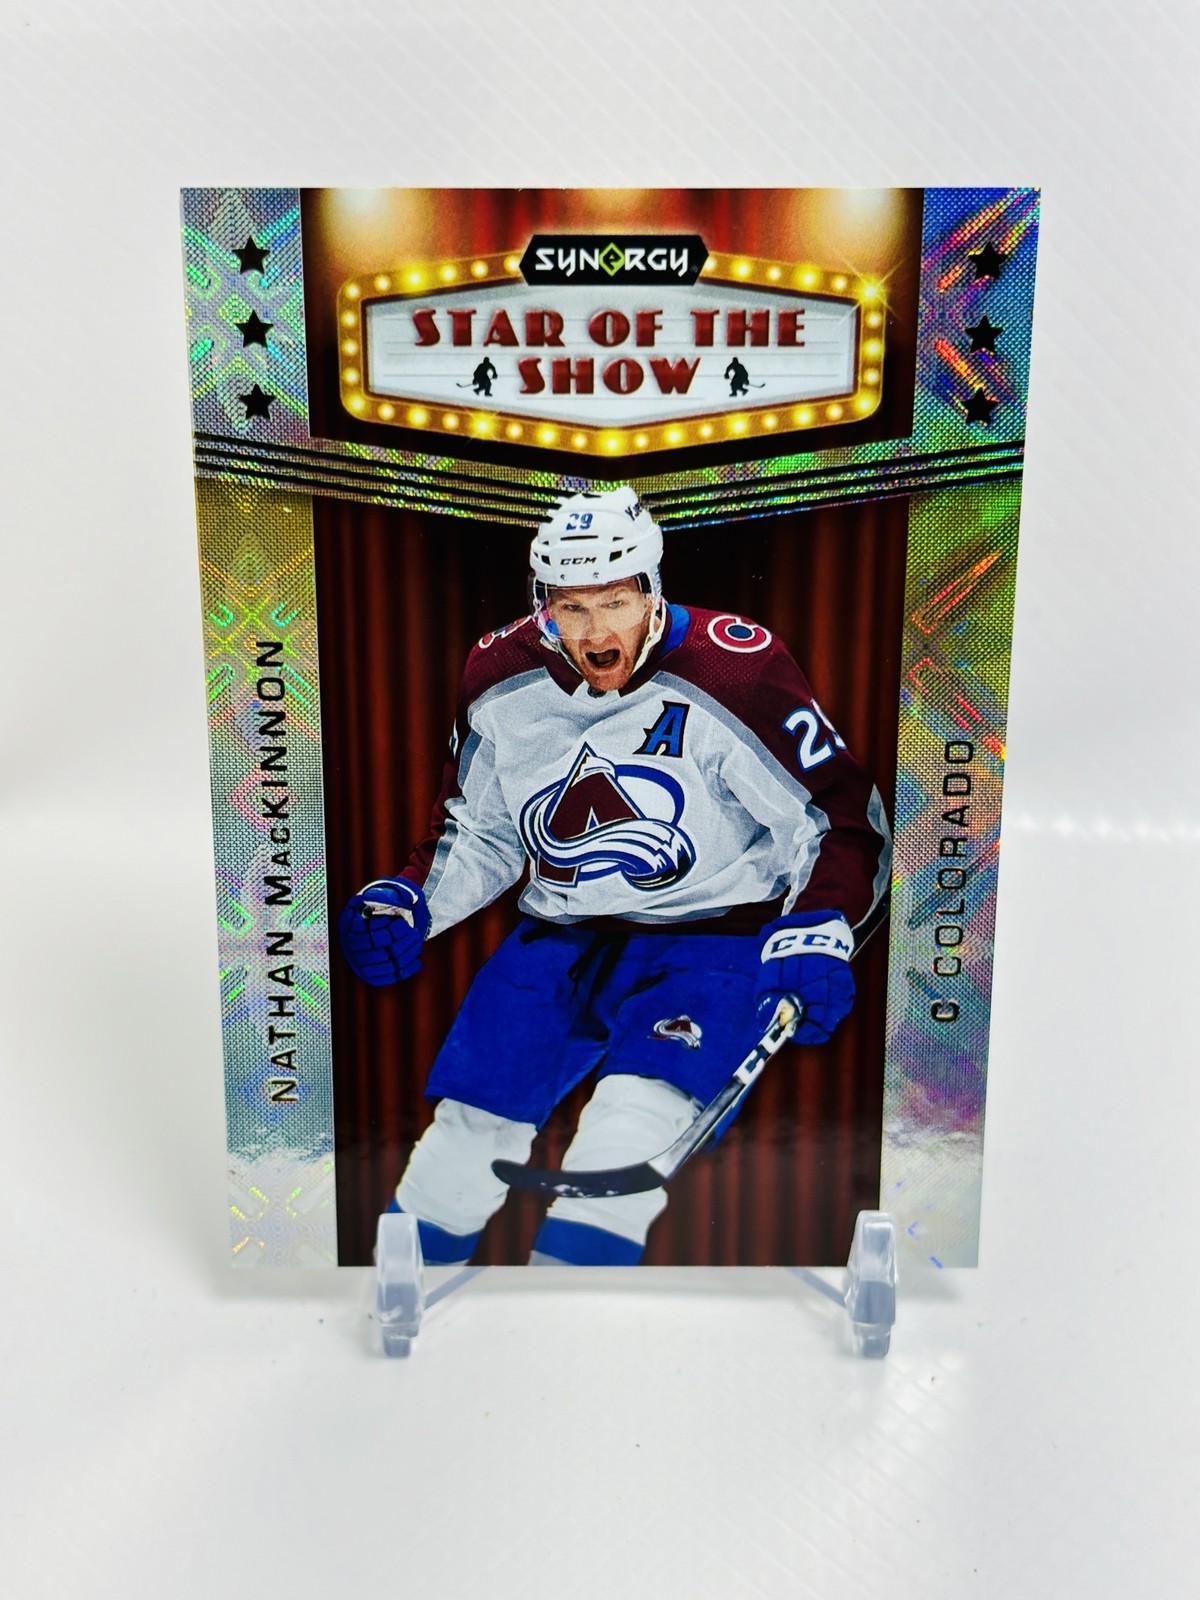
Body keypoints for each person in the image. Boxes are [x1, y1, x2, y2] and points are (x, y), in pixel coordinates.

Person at [338, 487, 891, 1266]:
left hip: (711, 939)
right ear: (542, 602)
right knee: (461, 1147)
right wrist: (408, 901)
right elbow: (483, 830)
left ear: (652, 590)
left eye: (615, 603)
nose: (596, 633)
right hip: (561, 936)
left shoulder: (735, 668)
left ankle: (575, 1325)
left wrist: (816, 927)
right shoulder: (499, 675)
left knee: (623, 1143)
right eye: (572, 608)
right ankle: (402, 1310)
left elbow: (838, 817)